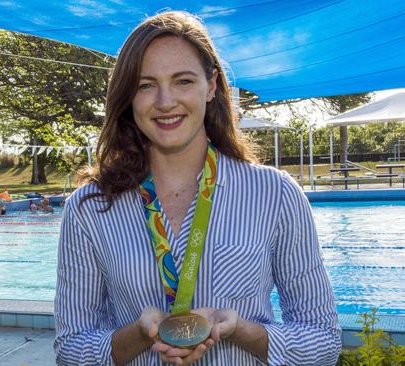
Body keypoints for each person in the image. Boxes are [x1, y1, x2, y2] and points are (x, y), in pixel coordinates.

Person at [54, 11, 340, 366]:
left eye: (183, 81)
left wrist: (241, 331)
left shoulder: (275, 194)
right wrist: (138, 335)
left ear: (212, 86)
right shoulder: (90, 208)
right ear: (128, 97)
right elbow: (70, 349)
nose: (164, 102)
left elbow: (323, 341)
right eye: (145, 85)